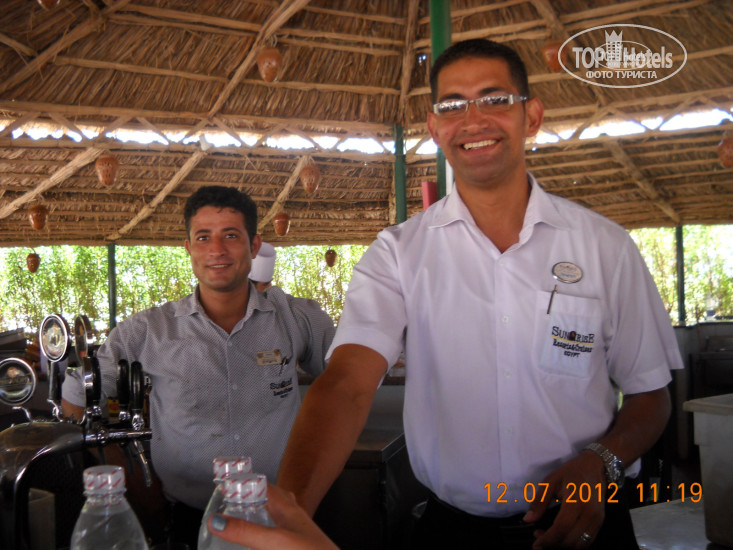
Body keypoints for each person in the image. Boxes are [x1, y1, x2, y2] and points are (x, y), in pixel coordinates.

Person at [276, 39, 683, 550]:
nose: (473, 120)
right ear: (434, 127)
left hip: (584, 523)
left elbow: (650, 395)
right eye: (453, 105)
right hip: (453, 533)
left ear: (531, 116)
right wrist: (287, 514)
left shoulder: (606, 248)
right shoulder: (399, 254)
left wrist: (602, 461)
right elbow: (347, 385)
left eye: (495, 99)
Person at [61, 185, 335, 548]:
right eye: (203, 237)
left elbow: (346, 388)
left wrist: (307, 484)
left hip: (285, 515)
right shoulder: (147, 331)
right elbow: (76, 400)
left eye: (231, 236)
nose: (216, 250)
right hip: (187, 519)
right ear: (188, 248)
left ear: (254, 246)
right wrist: (139, 483)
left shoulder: (295, 318)